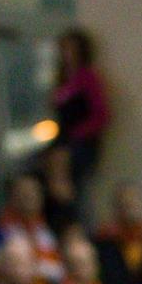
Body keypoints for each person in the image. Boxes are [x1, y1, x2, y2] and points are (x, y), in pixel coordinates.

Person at [50, 26, 110, 199]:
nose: (66, 54)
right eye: (64, 49)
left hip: (81, 142)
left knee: (68, 178)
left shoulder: (88, 78)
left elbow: (101, 115)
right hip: (63, 138)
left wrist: (78, 134)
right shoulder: (62, 79)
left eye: (71, 49)